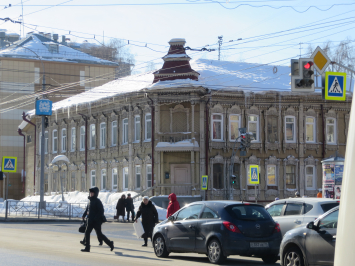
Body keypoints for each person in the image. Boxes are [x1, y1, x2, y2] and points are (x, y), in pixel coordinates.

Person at [81, 187, 114, 252]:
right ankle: (87, 248)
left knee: (100, 235)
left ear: (95, 193)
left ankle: (110, 243)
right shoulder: (90, 201)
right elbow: (88, 209)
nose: (91, 194)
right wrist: (84, 215)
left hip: (96, 222)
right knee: (87, 233)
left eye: (92, 193)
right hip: (90, 221)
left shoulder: (98, 201)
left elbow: (101, 211)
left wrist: (95, 218)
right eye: (90, 192)